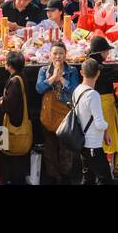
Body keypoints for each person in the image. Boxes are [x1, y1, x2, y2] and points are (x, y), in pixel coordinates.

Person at [36, 41, 78, 184]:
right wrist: (53, 77)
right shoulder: (43, 71)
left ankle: (66, 177)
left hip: (66, 116)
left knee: (66, 149)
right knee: (50, 148)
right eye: (55, 53)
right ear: (50, 55)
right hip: (49, 114)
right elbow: (39, 88)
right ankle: (53, 177)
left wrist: (61, 78)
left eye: (61, 53)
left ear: (66, 55)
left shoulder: (72, 71)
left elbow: (74, 90)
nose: (58, 56)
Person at [0, 51, 31, 184]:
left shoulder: (15, 81)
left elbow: (11, 104)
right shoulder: (22, 77)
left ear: (9, 65)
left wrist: (2, 102)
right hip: (20, 119)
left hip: (14, 122)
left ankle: (10, 179)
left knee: (9, 151)